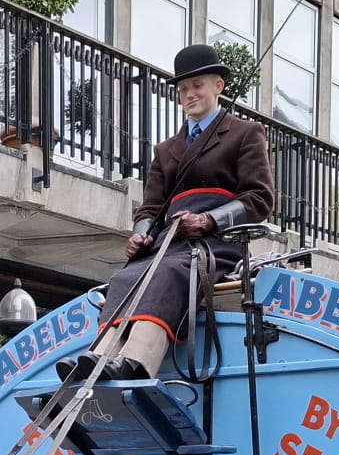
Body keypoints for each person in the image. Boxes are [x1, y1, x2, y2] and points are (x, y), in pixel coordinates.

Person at [62, 43, 276, 384]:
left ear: (218, 87)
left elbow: (259, 198)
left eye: (197, 86)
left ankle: (134, 362)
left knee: (170, 271)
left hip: (216, 244)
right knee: (125, 277)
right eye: (183, 90)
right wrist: (142, 233)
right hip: (169, 241)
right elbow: (151, 206)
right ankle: (100, 356)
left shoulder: (245, 134)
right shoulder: (166, 150)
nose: (190, 95)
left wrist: (209, 220)